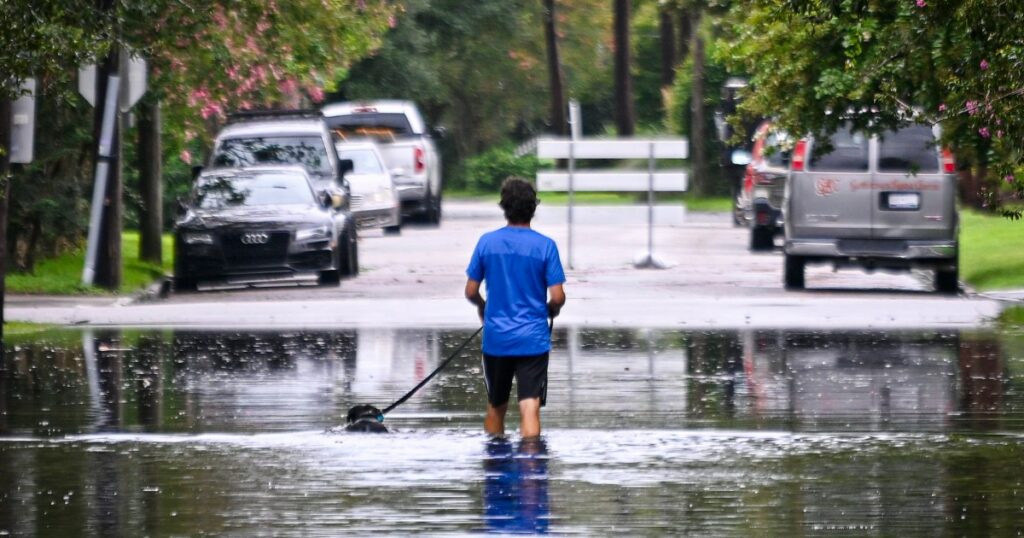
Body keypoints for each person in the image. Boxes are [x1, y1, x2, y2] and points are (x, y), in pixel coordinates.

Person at [465, 178, 566, 439]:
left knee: (496, 405)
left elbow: (471, 291)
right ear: (533, 208)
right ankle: (531, 468)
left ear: (504, 207)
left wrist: (482, 307)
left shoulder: (487, 243)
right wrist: (550, 310)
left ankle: (495, 464)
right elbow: (558, 296)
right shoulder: (546, 246)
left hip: (497, 338)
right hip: (533, 338)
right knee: (529, 406)